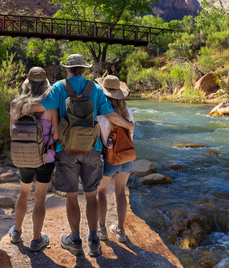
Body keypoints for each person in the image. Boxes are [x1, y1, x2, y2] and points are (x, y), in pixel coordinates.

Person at [34, 54, 135, 257]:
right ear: (84, 70)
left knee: (72, 196)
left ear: (68, 70)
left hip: (66, 150)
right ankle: (94, 240)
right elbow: (110, 115)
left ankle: (75, 240)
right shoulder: (95, 89)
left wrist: (17, 106)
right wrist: (129, 124)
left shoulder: (59, 87)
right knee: (91, 196)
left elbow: (40, 106)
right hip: (92, 148)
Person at [8, 67, 58, 252]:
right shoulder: (51, 106)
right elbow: (57, 134)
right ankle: (37, 240)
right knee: (40, 198)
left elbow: (11, 132)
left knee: (23, 194)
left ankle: (16, 232)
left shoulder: (15, 105)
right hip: (45, 158)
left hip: (23, 157)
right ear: (45, 85)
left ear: (27, 85)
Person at [94, 75, 134, 243]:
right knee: (121, 193)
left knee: (101, 192)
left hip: (109, 159)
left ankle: (102, 229)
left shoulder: (101, 115)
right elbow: (131, 135)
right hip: (127, 157)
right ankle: (121, 230)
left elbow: (96, 139)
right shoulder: (129, 113)